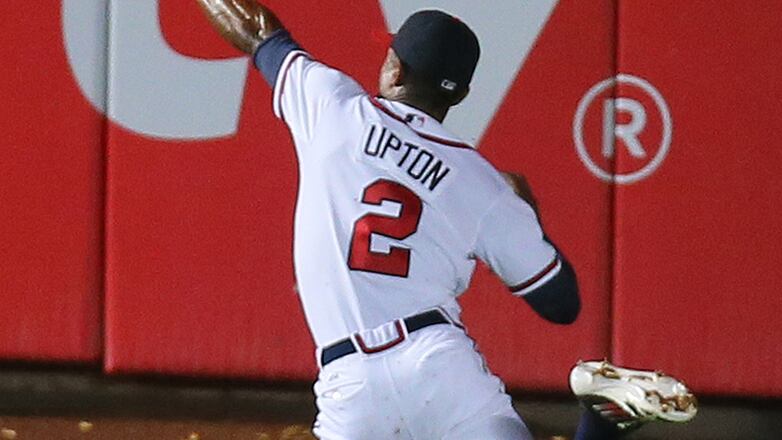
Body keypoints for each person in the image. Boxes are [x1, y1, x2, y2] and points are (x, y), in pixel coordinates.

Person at [195, 1, 697, 438]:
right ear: (458, 95)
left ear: (394, 68)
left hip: (349, 382)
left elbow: (256, 28)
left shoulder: (334, 108)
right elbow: (559, 302)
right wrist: (528, 213)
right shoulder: (482, 183)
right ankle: (600, 420)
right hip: (438, 363)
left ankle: (603, 421)